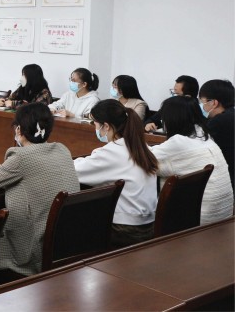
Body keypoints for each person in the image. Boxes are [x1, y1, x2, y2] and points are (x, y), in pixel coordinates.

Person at [0, 103, 79, 280]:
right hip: (65, 244)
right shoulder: (62, 149)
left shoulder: (22, 157)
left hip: (33, 250)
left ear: (19, 130)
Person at [73, 100, 159, 248]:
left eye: (94, 123)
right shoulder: (140, 146)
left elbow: (74, 170)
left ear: (106, 126)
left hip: (125, 230)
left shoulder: (112, 152)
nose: (94, 127)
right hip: (149, 225)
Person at [150, 96, 233, 224]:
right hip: (222, 215)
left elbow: (146, 159)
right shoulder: (204, 136)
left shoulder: (179, 142)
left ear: (172, 119)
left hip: (200, 220)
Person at [198, 79, 234, 188]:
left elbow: (199, 146)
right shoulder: (231, 115)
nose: (201, 105)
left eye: (202, 102)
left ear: (214, 103)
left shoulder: (218, 121)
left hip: (226, 180)